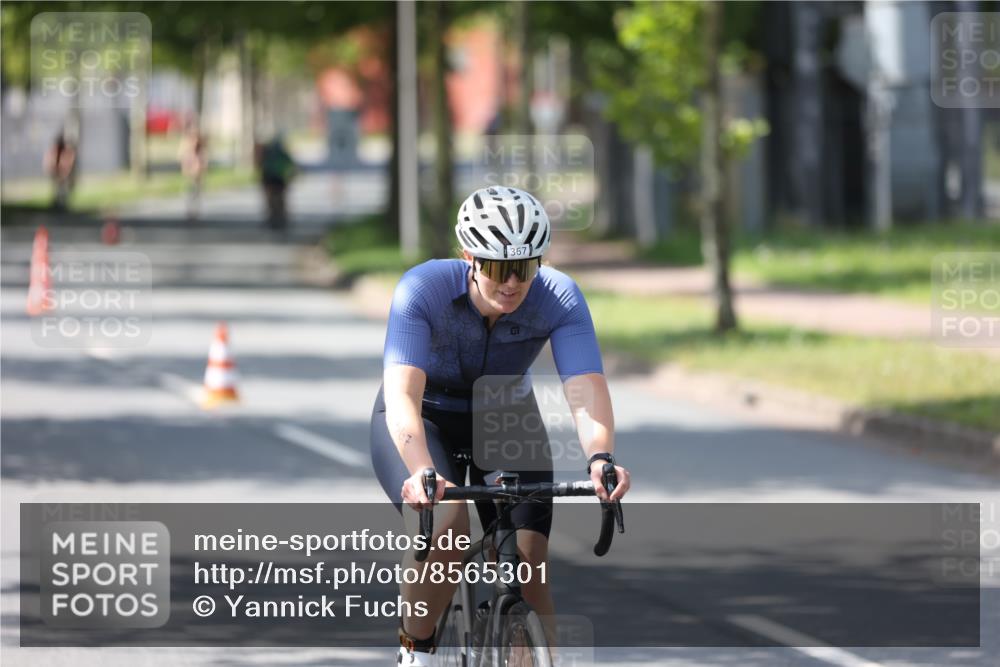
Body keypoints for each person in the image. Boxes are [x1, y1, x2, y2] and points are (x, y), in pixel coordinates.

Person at [370, 186, 631, 666]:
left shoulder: (558, 297)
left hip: (504, 415)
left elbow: (586, 388)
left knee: (529, 572)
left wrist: (601, 457)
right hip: (426, 415)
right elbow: (402, 394)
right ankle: (417, 652)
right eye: (496, 267)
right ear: (468, 256)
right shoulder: (422, 289)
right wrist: (421, 469)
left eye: (525, 267)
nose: (512, 282)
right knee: (448, 526)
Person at [255, 135, 297, 230]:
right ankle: (280, 220)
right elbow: (292, 166)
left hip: (270, 180)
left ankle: (274, 219)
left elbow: (261, 166)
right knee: (279, 201)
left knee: (271, 202)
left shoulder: (268, 154)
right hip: (279, 180)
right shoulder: (282, 154)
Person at [178, 120, 208, 221]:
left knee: (196, 193)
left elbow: (203, 161)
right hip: (191, 174)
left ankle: (195, 211)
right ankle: (190, 211)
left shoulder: (200, 150)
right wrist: (186, 169)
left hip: (197, 175)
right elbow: (184, 160)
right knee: (190, 192)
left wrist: (201, 168)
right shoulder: (187, 148)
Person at [44, 132, 77, 211]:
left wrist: (65, 173)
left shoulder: (66, 151)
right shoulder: (55, 150)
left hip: (62, 172)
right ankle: (57, 204)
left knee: (62, 189)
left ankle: (62, 204)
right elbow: (50, 161)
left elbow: (67, 162)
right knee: (57, 189)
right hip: (57, 172)